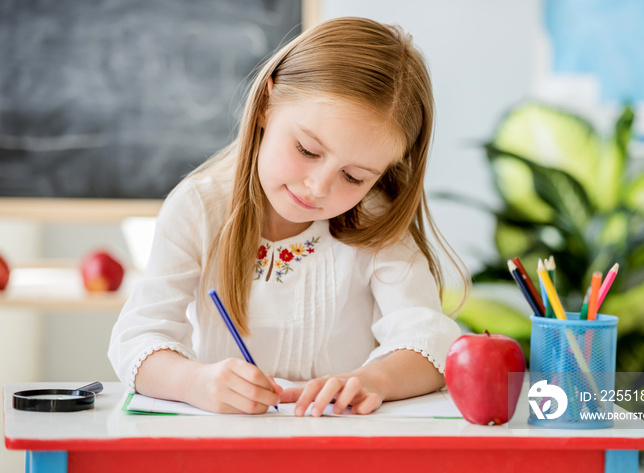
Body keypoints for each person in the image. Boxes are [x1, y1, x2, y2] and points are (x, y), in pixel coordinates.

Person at [108, 17, 468, 417]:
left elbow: (430, 346)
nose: (318, 187)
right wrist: (195, 382)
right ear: (266, 104)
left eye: (353, 176)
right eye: (307, 150)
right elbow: (137, 340)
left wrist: (373, 381)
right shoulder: (198, 209)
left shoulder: (375, 222)